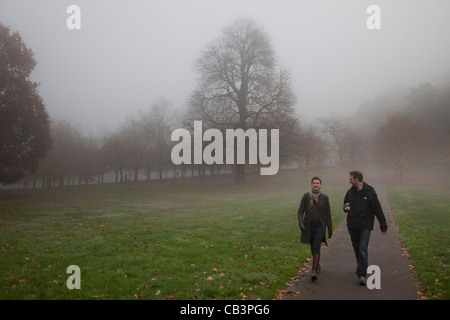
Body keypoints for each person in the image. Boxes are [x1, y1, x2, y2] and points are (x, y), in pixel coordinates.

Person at [343, 170, 388, 286]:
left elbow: (377, 209)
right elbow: (345, 204)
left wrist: (383, 225)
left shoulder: (370, 192)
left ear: (357, 179)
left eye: (351, 178)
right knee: (357, 249)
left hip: (365, 226)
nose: (349, 180)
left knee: (362, 249)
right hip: (352, 225)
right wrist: (346, 208)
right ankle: (361, 266)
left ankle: (362, 274)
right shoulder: (350, 192)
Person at [297, 177, 333, 281]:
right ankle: (317, 264)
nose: (316, 185)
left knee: (317, 246)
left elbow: (328, 214)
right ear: (311, 184)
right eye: (314, 183)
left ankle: (313, 271)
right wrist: (300, 223)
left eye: (318, 183)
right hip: (308, 226)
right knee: (313, 247)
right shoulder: (306, 196)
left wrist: (330, 229)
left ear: (320, 185)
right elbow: (300, 211)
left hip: (320, 226)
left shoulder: (325, 197)